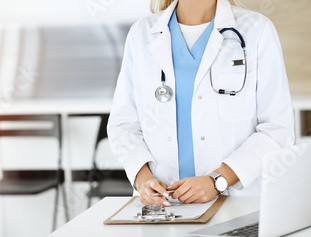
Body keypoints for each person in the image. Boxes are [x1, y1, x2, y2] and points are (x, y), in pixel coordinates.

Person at [107, 0, 294, 207]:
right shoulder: (141, 33)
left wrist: (217, 180)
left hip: (235, 205)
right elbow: (123, 126)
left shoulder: (257, 29)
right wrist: (143, 180)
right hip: (161, 208)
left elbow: (277, 130)